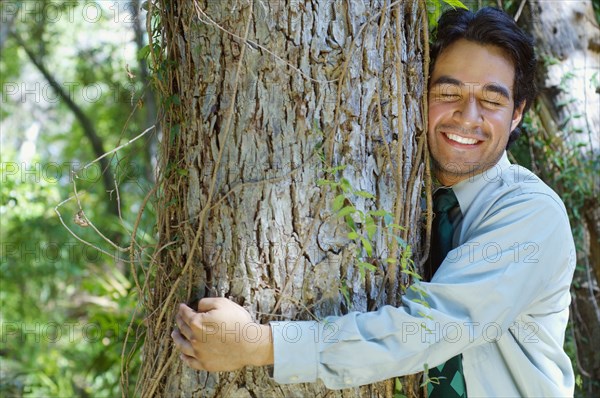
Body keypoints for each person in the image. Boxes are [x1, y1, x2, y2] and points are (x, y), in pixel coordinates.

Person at [171, 7, 576, 397]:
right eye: (448, 91)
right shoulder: (405, 197)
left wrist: (260, 344)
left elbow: (431, 328)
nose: (467, 116)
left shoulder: (530, 212)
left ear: (518, 113)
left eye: (491, 101)